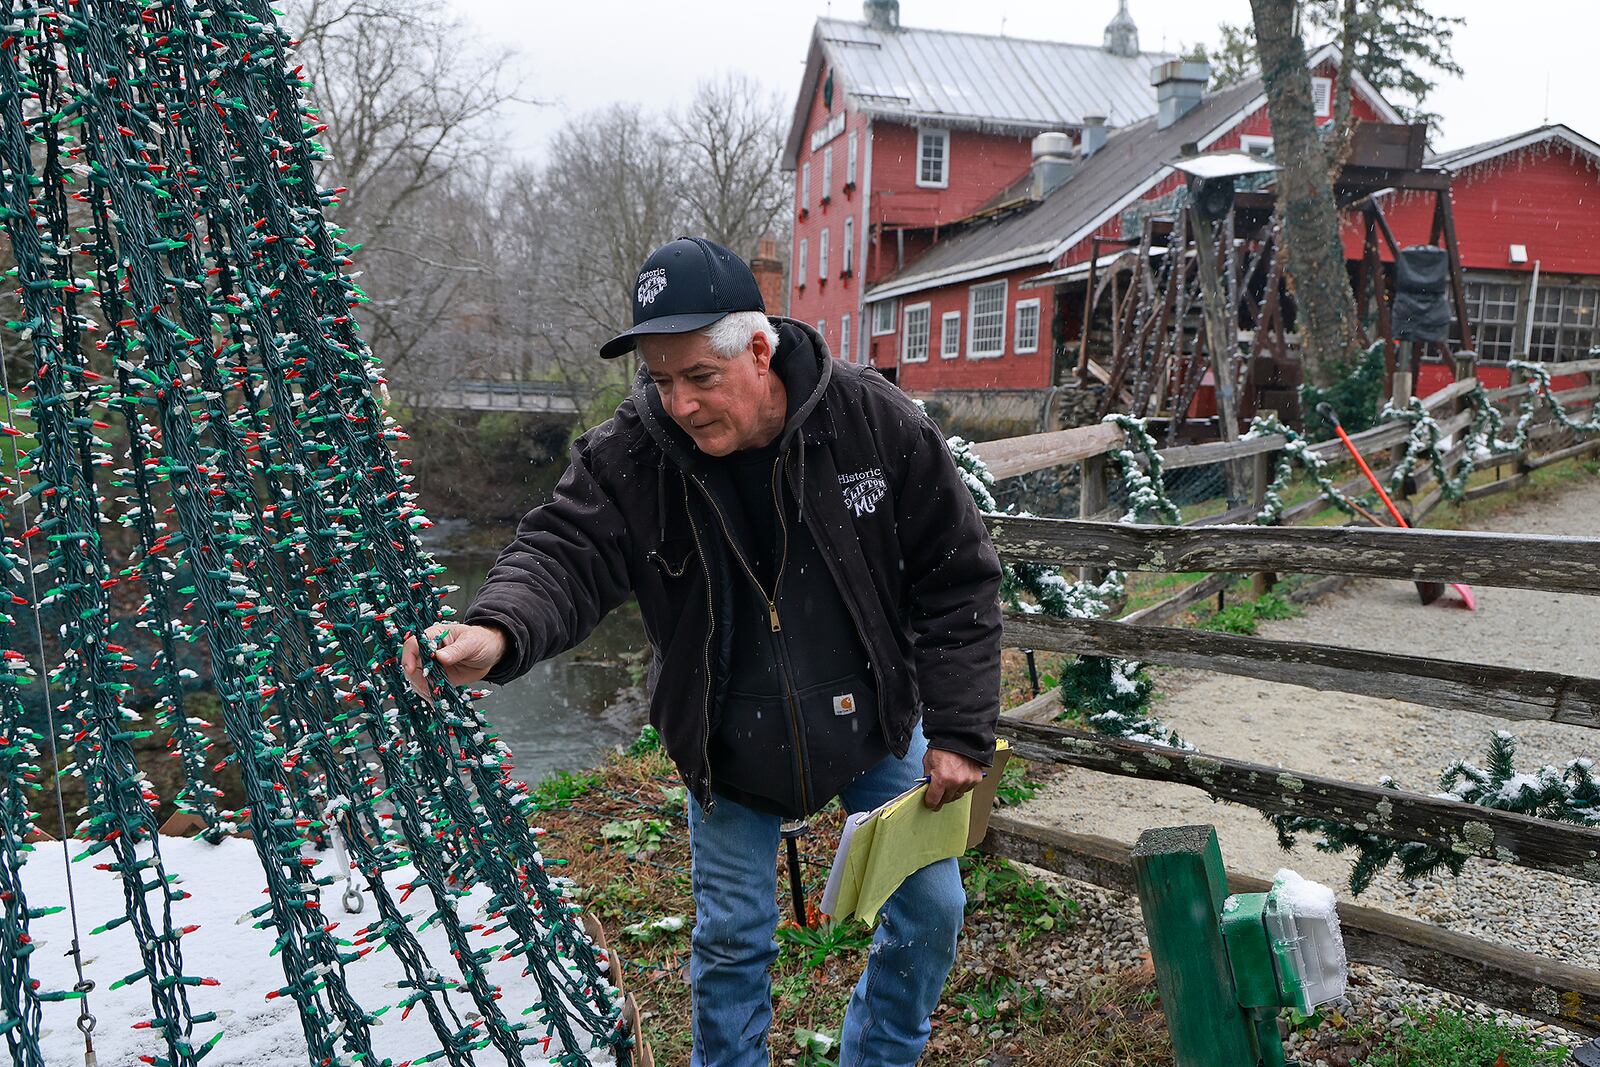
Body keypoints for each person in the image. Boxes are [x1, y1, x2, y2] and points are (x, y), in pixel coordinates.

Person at [401, 236, 1003, 1067]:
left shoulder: (873, 422)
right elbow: (561, 552)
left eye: (698, 378)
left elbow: (957, 579)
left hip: (871, 718)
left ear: (758, 349)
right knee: (731, 938)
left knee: (933, 905)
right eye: (659, 379)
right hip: (726, 741)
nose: (678, 403)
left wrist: (961, 732)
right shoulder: (635, 454)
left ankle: (883, 1054)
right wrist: (497, 630)